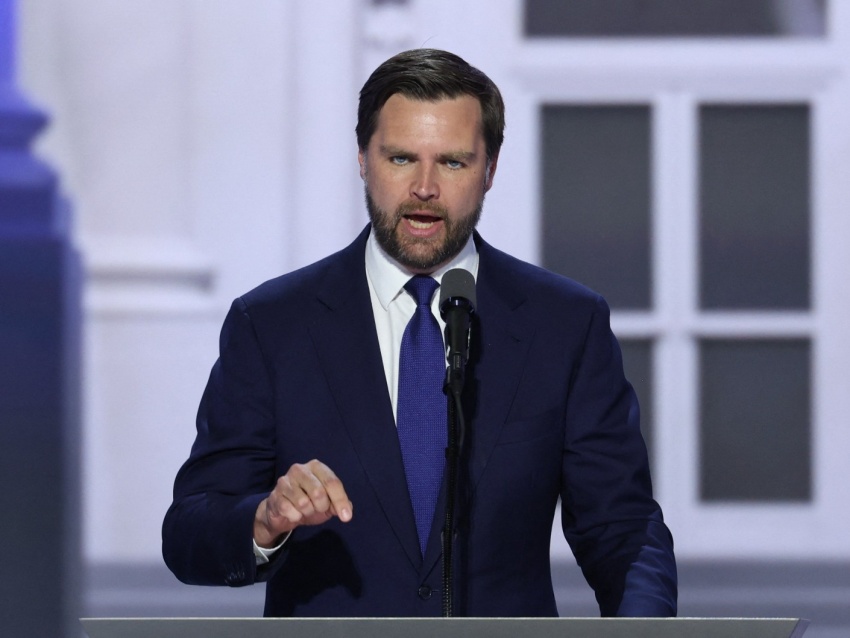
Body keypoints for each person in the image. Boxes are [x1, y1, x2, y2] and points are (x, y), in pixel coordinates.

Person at [162, 48, 677, 618]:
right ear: (363, 160)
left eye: (453, 162)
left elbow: (622, 530)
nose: (425, 187)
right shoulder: (272, 325)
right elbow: (189, 531)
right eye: (401, 158)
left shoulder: (564, 325)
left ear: (490, 170)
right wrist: (264, 520)